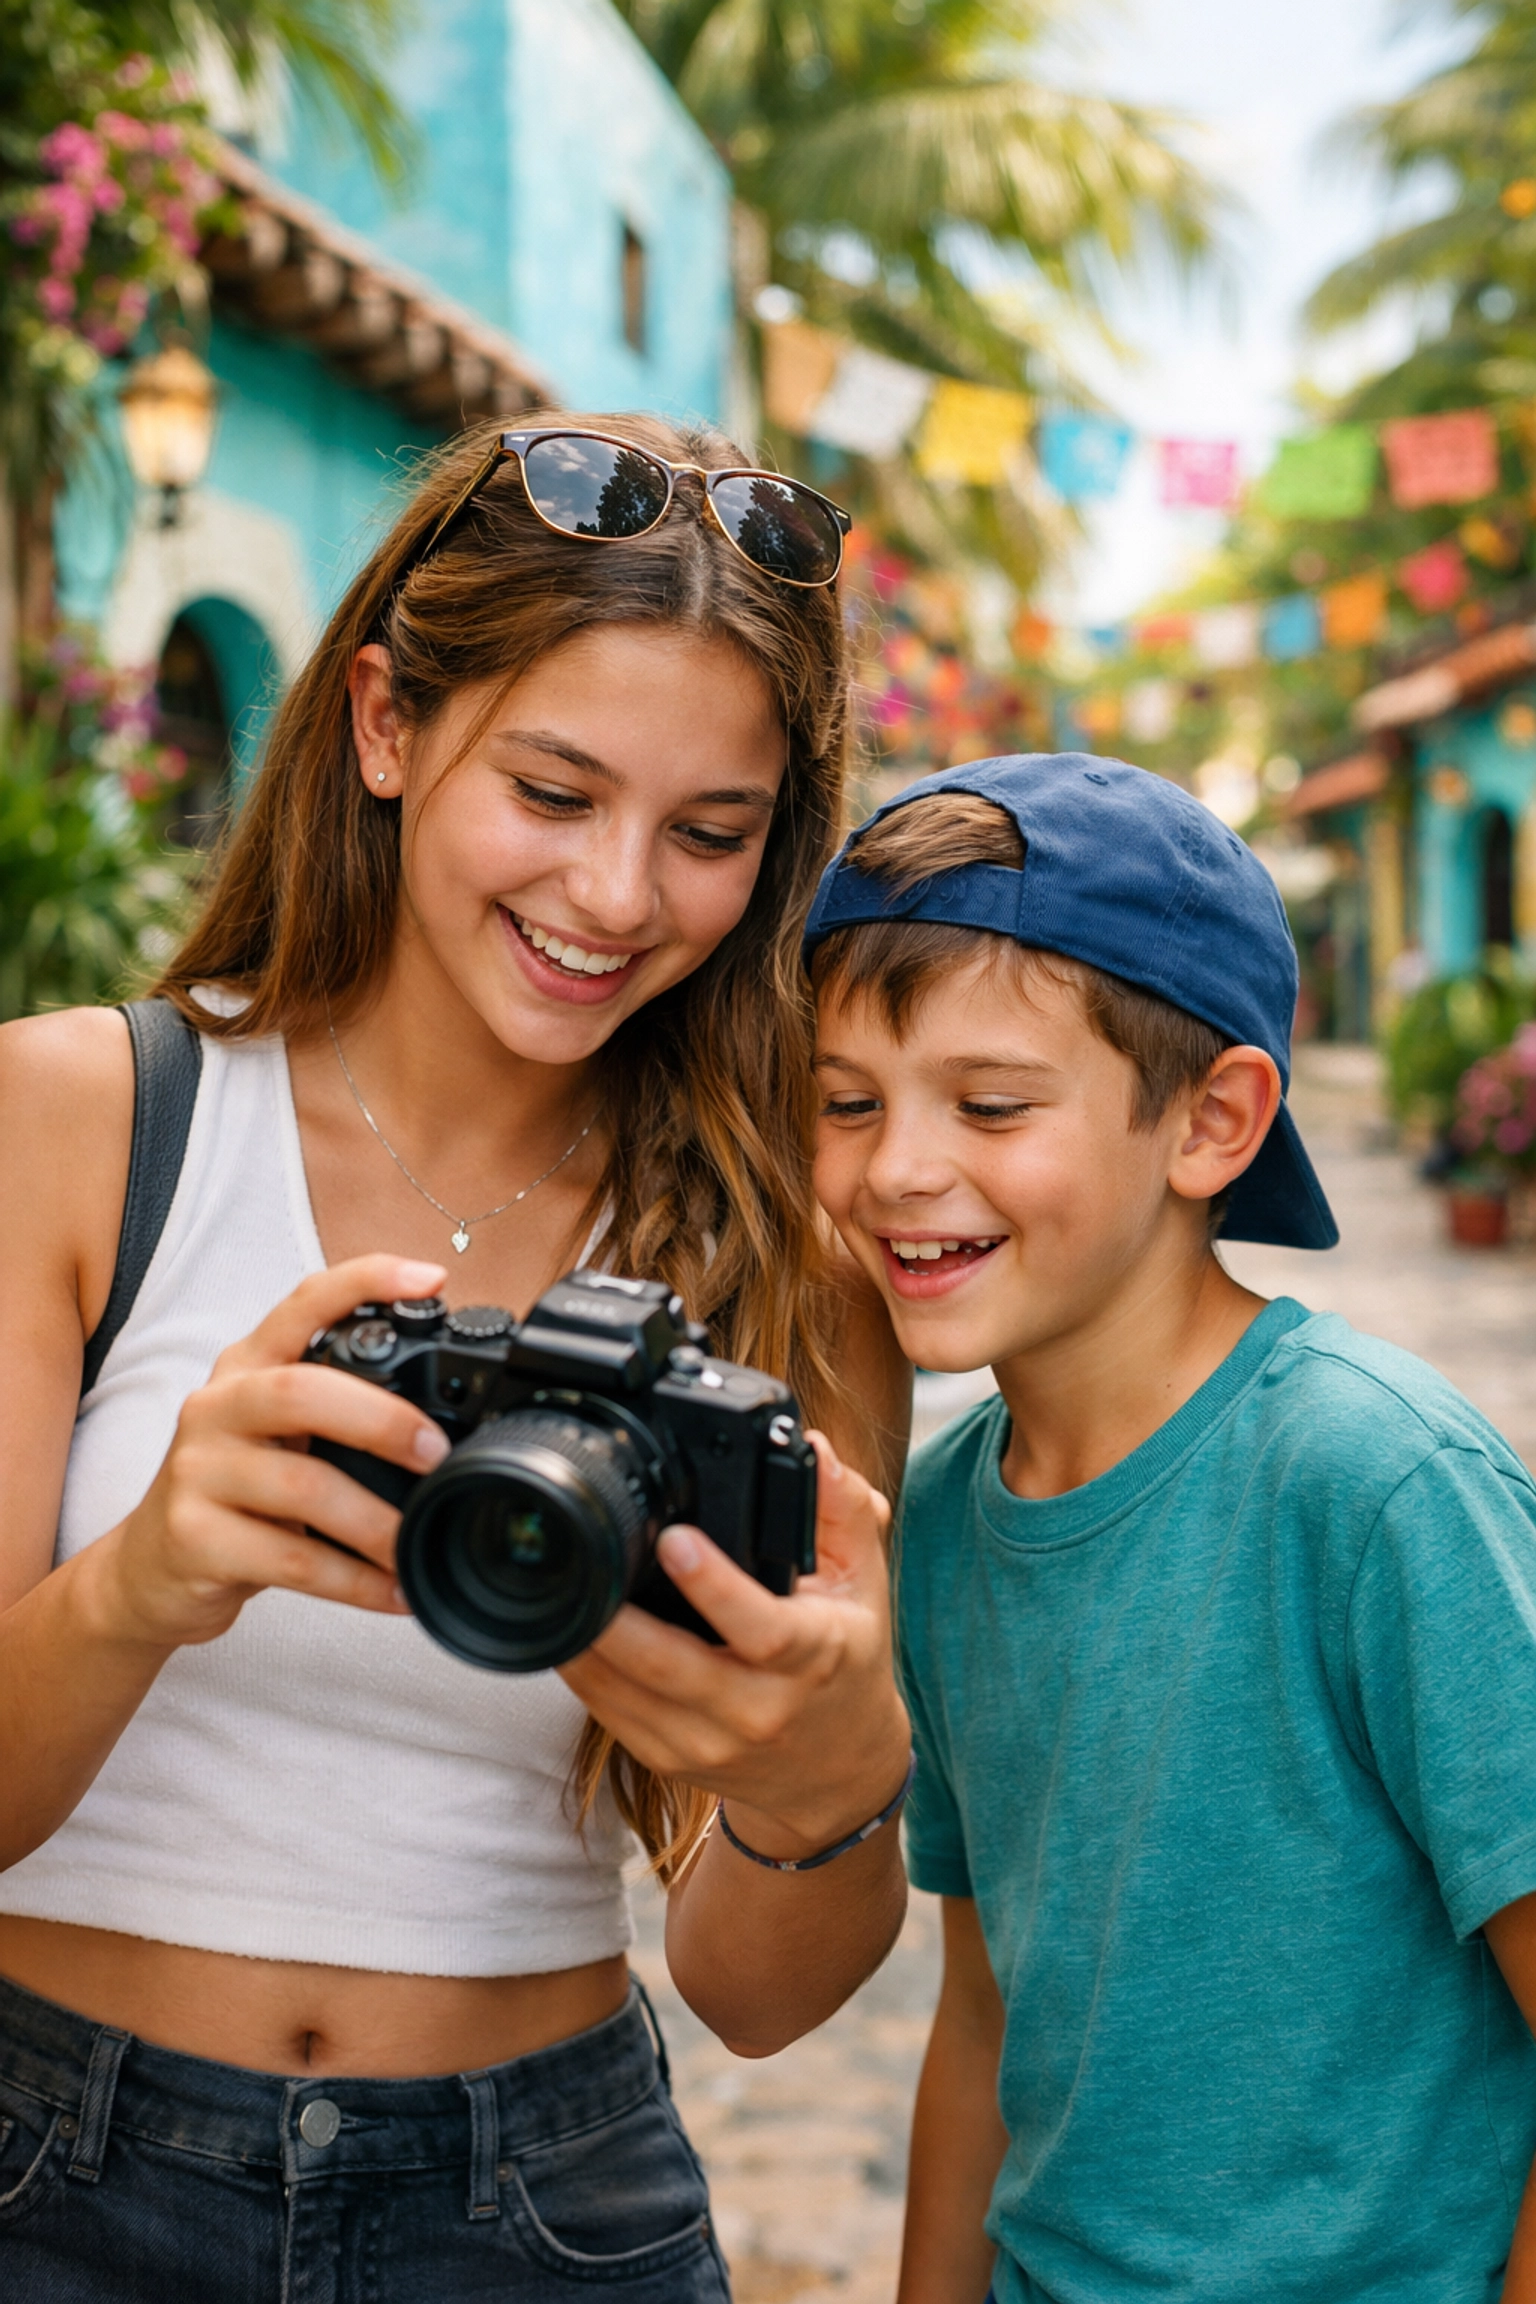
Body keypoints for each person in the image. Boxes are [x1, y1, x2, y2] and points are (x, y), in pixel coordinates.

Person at [0, 414, 912, 2300]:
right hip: (47, 2170)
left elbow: (755, 1998)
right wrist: (149, 1579)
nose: (615, 896)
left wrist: (831, 1780)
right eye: (557, 792)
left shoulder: (782, 1267)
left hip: (542, 2204)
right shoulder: (80, 1121)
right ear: (387, 725)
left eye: (711, 834)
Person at [806, 751, 1536, 2304]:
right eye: (847, 1103)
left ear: (1212, 1123)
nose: (896, 1168)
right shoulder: (936, 1522)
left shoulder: (1376, 1484)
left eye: (990, 1104)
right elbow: (985, 2020)